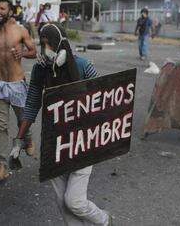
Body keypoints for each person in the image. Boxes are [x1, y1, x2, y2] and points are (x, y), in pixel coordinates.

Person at [10, 23, 112, 226]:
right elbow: (32, 104)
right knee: (61, 201)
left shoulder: (82, 65)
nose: (45, 49)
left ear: (61, 44)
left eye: (49, 44)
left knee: (74, 201)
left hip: (83, 140)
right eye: (42, 44)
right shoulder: (41, 70)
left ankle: (104, 220)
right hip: (54, 142)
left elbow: (104, 96)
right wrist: (19, 139)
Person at [0, 0, 36, 182]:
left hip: (17, 84)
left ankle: (27, 138)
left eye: (2, 9)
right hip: (0, 84)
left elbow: (34, 51)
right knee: (1, 125)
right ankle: (1, 166)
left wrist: (24, 53)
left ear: (11, 12)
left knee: (23, 120)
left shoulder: (21, 31)